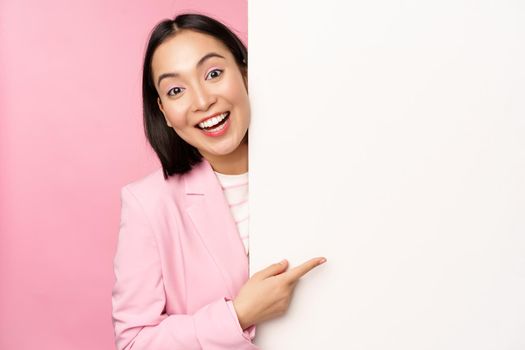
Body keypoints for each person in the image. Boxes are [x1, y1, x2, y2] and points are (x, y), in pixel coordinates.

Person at [111, 12, 326, 350]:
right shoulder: (148, 204)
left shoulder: (321, 165)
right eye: (176, 90)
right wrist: (237, 315)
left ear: (244, 71)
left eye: (213, 73)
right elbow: (134, 342)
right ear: (164, 111)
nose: (202, 101)